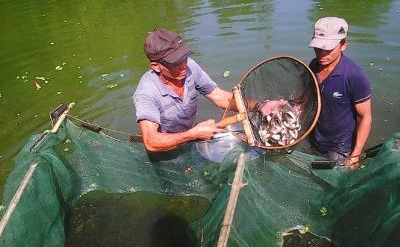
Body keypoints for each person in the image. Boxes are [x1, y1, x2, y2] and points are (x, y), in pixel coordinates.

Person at [133, 28, 285, 152]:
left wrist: (259, 106)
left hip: (190, 136)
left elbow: (220, 97)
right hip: (164, 150)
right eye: (175, 63)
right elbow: (151, 142)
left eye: (183, 57)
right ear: (156, 66)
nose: (183, 65)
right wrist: (192, 134)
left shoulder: (190, 67)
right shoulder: (147, 91)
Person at [308, 17, 372, 167]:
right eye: (318, 47)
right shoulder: (313, 65)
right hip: (314, 138)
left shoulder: (355, 76)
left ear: (343, 45)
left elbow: (365, 117)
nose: (322, 53)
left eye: (328, 48)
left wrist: (355, 155)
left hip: (339, 147)